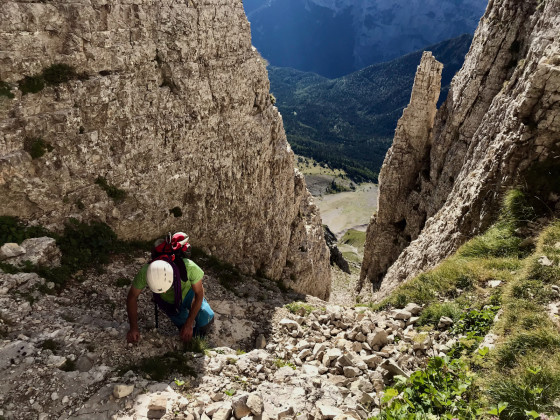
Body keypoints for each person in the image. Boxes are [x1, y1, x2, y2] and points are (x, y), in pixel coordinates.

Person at [126, 232, 214, 343]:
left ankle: (199, 339)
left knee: (206, 317)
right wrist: (133, 328)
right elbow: (132, 297)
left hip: (188, 293)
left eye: (167, 287)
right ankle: (191, 341)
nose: (166, 291)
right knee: (183, 330)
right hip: (167, 302)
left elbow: (199, 294)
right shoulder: (146, 272)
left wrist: (190, 323)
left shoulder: (189, 267)